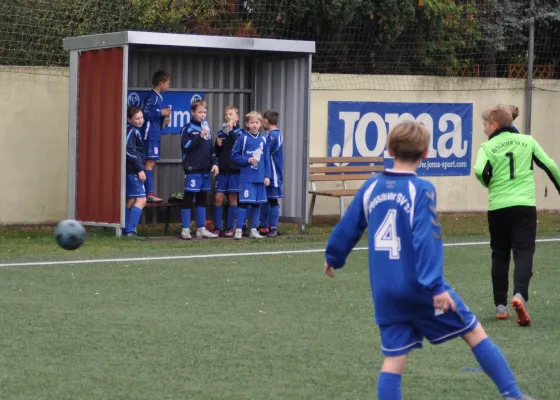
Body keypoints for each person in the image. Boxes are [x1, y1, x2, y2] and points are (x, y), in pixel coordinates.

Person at [324, 121, 534, 400]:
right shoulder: (420, 189)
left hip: (386, 292)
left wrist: (333, 256)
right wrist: (435, 286)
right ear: (426, 154)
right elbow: (427, 239)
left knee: (394, 359)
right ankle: (513, 395)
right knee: (473, 332)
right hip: (421, 287)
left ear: (388, 149)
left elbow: (348, 226)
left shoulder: (371, 186)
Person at [474, 105, 560, 325]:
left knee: (500, 254)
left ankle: (500, 306)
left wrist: (489, 182)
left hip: (498, 208)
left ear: (494, 126)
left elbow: (479, 171)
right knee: (523, 252)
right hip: (524, 206)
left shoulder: (488, 146)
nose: (484, 130)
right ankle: (520, 295)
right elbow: (550, 165)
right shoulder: (528, 141)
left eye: (485, 125)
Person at [179, 99, 219, 240]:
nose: (203, 115)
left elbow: (210, 148)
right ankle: (185, 229)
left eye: (205, 112)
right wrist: (199, 137)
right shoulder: (187, 128)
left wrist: (214, 162)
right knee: (189, 199)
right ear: (192, 112)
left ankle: (201, 229)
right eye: (200, 112)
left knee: (202, 199)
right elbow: (185, 146)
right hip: (192, 169)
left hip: (205, 170)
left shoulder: (207, 129)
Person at [231, 111, 271, 240]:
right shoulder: (243, 138)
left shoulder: (263, 139)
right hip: (247, 177)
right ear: (247, 124)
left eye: (257, 122)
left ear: (260, 124)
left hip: (259, 177)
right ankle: (239, 229)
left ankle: (253, 229)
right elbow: (234, 155)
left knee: (257, 204)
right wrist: (246, 160)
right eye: (252, 122)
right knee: (243, 203)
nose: (255, 125)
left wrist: (267, 176)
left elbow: (267, 159)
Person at [140, 70, 172, 203]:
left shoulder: (159, 97)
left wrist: (164, 118)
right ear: (161, 83)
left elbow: (155, 115)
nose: (169, 86)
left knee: (151, 162)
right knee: (149, 162)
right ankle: (148, 192)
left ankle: (147, 192)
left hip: (156, 133)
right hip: (149, 134)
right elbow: (145, 113)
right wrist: (161, 112)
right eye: (168, 83)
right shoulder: (151, 96)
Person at [213, 106, 243, 237]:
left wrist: (230, 131)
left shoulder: (240, 133)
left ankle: (230, 228)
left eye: (231, 114)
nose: (228, 116)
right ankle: (217, 227)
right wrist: (217, 145)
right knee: (218, 197)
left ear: (237, 117)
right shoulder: (221, 133)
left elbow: (238, 146)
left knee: (232, 198)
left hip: (235, 170)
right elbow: (217, 152)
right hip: (222, 170)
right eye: (226, 115)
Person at [258, 110, 284, 237]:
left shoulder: (274, 135)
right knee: (266, 200)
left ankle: (273, 227)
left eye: (262, 120)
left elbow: (266, 152)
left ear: (266, 121)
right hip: (270, 173)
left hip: (273, 174)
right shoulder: (272, 134)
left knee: (273, 200)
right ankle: (265, 226)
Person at [124, 106, 147, 240]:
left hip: (132, 169)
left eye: (141, 117)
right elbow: (129, 151)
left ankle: (125, 228)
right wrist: (139, 169)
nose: (140, 121)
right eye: (137, 118)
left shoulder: (133, 130)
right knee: (141, 199)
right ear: (129, 119)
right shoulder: (131, 131)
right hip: (133, 170)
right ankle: (130, 231)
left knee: (130, 200)